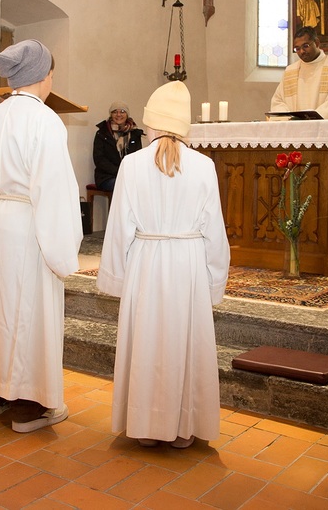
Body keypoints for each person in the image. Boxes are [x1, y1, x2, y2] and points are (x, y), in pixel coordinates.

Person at [97, 81, 230, 449]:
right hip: (187, 265)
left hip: (147, 261)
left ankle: (144, 425)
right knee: (183, 343)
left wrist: (116, 277)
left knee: (148, 342)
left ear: (151, 124)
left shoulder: (132, 164)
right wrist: (215, 281)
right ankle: (183, 427)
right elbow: (214, 232)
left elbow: (119, 227)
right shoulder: (203, 166)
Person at [0, 39, 83, 433]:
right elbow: (54, 189)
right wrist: (63, 251)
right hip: (28, 225)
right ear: (43, 75)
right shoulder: (44, 120)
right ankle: (28, 407)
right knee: (27, 313)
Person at [270, 26, 328, 119]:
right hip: (295, 126)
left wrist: (312, 118)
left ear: (316, 43)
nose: (302, 51)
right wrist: (290, 118)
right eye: (297, 49)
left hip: (324, 126)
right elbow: (278, 101)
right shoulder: (290, 71)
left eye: (305, 46)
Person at [93, 102, 144, 191]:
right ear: (111, 114)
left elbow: (138, 157)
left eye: (122, 111)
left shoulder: (135, 134)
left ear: (127, 114)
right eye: (115, 112)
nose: (118, 115)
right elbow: (99, 159)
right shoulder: (102, 133)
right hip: (107, 177)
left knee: (143, 186)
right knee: (123, 187)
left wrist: (129, 173)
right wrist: (119, 172)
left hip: (129, 175)